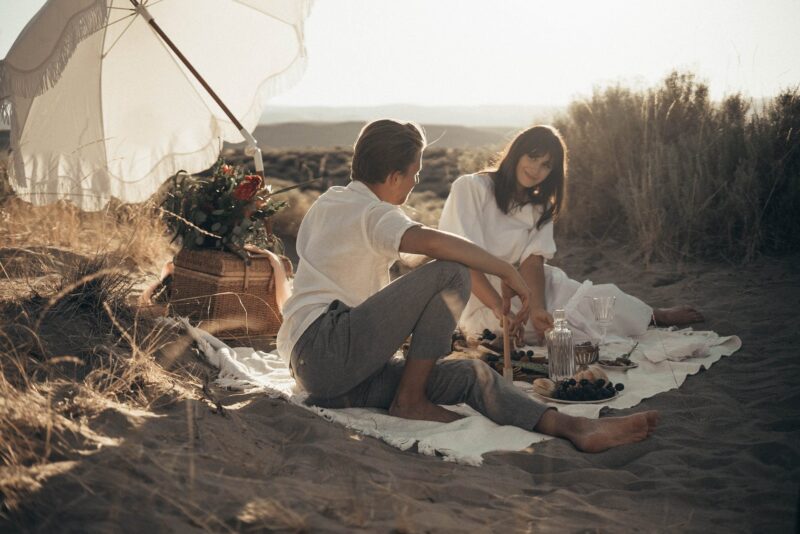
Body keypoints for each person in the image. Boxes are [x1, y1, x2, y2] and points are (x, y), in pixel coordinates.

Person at [276, 119, 657, 452]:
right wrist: (505, 272)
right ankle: (410, 400)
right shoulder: (369, 212)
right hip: (326, 348)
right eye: (414, 174)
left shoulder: (330, 203)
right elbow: (435, 245)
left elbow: (404, 270)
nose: (416, 182)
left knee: (467, 373)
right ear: (394, 177)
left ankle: (574, 428)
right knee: (452, 271)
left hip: (337, 376)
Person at [438, 125, 704, 344]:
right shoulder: (472, 187)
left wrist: (538, 306)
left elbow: (533, 262)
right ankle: (641, 318)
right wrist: (499, 307)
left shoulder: (539, 205)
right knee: (512, 332)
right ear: (517, 153)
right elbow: (462, 257)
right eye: (532, 157)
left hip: (527, 288)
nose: (536, 169)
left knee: (591, 303)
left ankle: (652, 316)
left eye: (546, 165)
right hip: (476, 290)